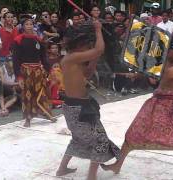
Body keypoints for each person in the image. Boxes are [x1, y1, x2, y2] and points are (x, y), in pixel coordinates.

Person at [100, 34, 173, 178]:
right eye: (167, 49)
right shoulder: (166, 59)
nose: (167, 52)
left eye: (170, 49)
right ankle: (117, 165)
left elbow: (169, 74)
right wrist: (139, 74)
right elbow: (155, 78)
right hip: (157, 100)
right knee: (134, 131)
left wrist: (154, 61)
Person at [56, 20, 120, 180]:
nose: (89, 48)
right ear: (79, 44)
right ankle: (91, 176)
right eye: (87, 45)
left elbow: (88, 73)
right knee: (100, 141)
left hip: (78, 106)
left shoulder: (74, 60)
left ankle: (62, 169)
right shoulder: (71, 58)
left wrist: (94, 58)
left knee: (77, 139)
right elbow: (99, 49)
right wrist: (98, 29)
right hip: (77, 109)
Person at [12, 16, 55, 127]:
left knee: (42, 92)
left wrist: (49, 70)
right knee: (27, 94)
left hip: (38, 71)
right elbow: (15, 60)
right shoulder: (18, 40)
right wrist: (19, 77)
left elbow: (43, 57)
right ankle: (28, 118)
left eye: (31, 24)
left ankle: (45, 113)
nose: (29, 26)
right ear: (23, 26)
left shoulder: (38, 40)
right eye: (27, 24)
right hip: (25, 71)